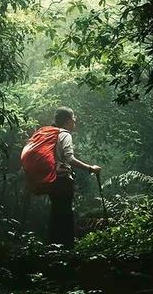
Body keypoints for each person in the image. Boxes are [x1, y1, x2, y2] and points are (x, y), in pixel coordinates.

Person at [48, 106, 102, 249]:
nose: (75, 121)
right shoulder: (65, 134)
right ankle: (66, 250)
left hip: (51, 181)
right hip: (62, 180)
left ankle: (53, 249)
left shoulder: (50, 134)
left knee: (56, 214)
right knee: (65, 215)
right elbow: (70, 159)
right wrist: (91, 168)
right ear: (67, 121)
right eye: (73, 118)